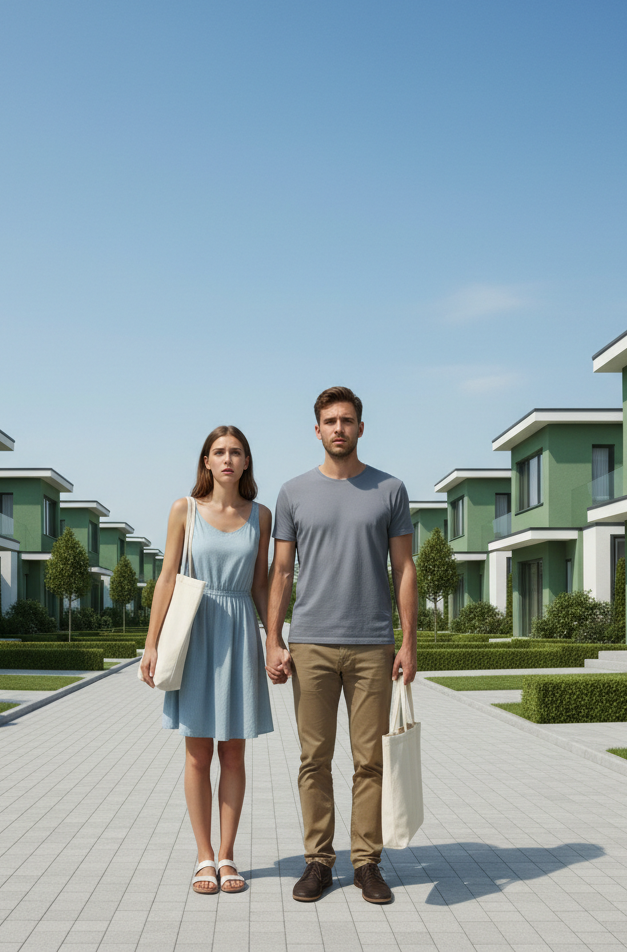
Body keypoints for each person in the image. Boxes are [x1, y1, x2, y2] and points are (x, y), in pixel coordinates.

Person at [266, 386, 417, 904]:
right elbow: (281, 572)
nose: (338, 428)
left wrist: (408, 642)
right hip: (309, 644)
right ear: (317, 430)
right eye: (329, 421)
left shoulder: (390, 489)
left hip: (373, 643)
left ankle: (367, 863)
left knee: (369, 760)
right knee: (314, 759)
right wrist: (273, 639)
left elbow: (404, 569)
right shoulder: (293, 493)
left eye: (347, 420)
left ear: (360, 428)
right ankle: (318, 861)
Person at [140, 426, 274, 896]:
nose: (227, 459)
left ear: (246, 462)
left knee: (233, 751)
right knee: (198, 753)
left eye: (236, 452)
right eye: (219, 452)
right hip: (195, 630)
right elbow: (166, 579)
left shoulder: (262, 515)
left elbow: (261, 584)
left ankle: (228, 854)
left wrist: (274, 638)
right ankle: (202, 856)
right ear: (206, 461)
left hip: (239, 631)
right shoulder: (185, 510)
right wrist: (151, 642)